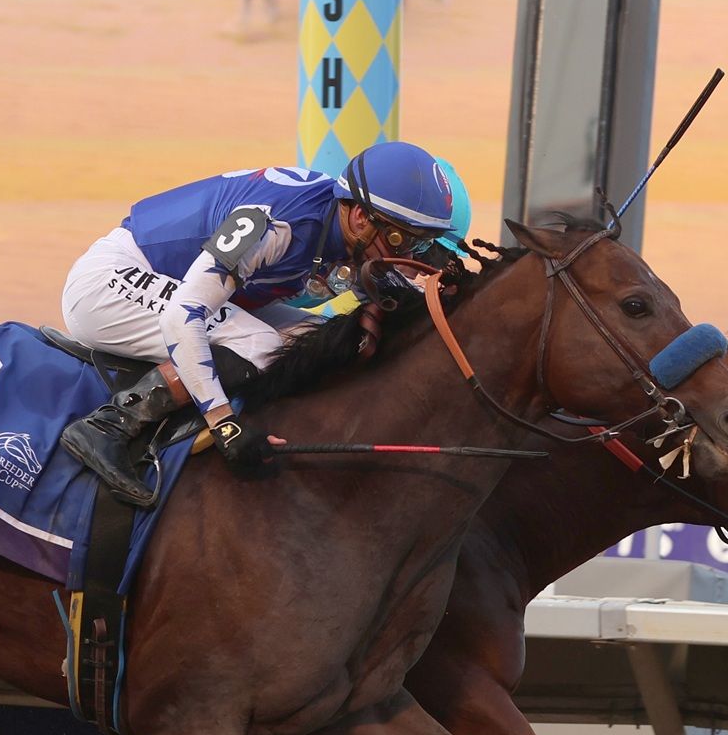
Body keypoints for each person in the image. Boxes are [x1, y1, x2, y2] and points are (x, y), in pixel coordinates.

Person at [58, 140, 455, 507]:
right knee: (260, 343)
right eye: (402, 241)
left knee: (312, 341)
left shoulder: (339, 222)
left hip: (181, 285)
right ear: (360, 217)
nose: (408, 256)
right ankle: (110, 425)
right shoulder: (277, 224)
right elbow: (184, 314)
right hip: (110, 283)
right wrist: (223, 424)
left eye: (420, 244)